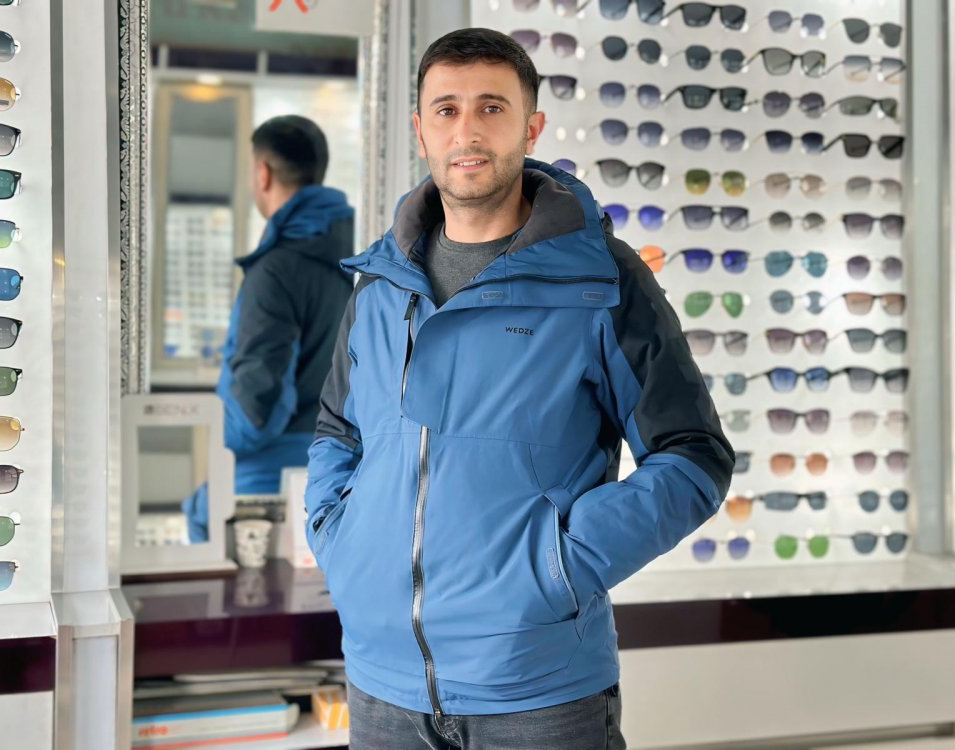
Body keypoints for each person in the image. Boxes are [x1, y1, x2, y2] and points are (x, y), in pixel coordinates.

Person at [305, 28, 733, 749]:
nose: (467, 131)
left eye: (491, 108)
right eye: (446, 110)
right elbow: (336, 431)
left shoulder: (602, 278)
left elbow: (693, 457)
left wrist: (560, 568)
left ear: (531, 128)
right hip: (381, 686)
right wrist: (339, 540)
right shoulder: (379, 284)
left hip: (538, 691)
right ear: (420, 129)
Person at [183, 115, 354, 542]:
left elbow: (258, 407)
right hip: (327, 474)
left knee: (200, 521)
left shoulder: (275, 271)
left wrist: (216, 442)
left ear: (262, 173)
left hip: (261, 481)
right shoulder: (342, 265)